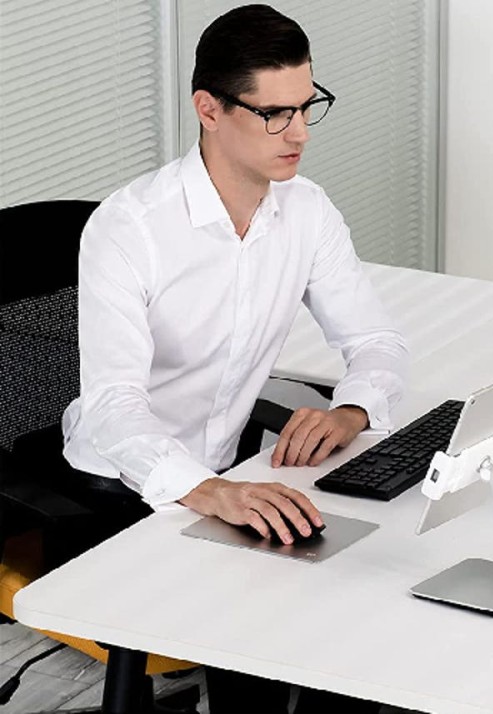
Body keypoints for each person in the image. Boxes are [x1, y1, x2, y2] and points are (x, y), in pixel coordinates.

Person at [60, 4, 407, 712]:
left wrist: (353, 406)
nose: (301, 133)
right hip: (121, 487)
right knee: (275, 615)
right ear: (209, 109)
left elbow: (377, 341)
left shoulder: (305, 211)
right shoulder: (130, 231)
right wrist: (211, 491)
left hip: (230, 463)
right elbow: (114, 408)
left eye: (309, 106)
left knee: (370, 583)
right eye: (274, 114)